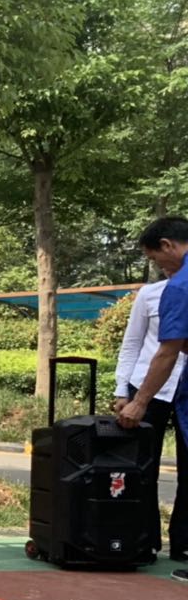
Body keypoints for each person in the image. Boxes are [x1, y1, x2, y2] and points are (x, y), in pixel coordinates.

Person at [115, 217, 188, 576]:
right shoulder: (152, 293)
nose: (158, 266)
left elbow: (170, 350)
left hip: (171, 387)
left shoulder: (180, 287)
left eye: (156, 258)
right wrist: (123, 390)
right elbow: (134, 344)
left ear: (167, 245)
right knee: (142, 468)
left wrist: (139, 400)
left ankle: (183, 542)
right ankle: (142, 540)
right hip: (151, 385)